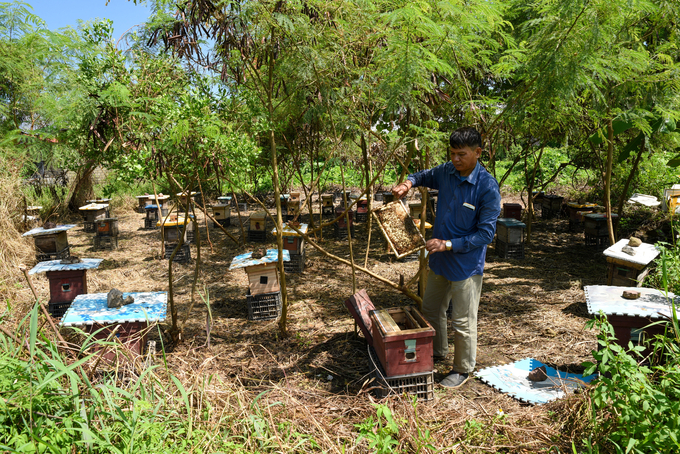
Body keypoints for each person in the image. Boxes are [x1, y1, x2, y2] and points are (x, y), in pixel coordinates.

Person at [391, 127, 501, 388]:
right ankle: (437, 351)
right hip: (440, 262)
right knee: (430, 310)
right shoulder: (447, 172)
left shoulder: (487, 187)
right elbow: (422, 175)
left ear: (478, 153)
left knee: (462, 321)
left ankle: (462, 370)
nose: (455, 159)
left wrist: (449, 244)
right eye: (452, 154)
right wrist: (408, 183)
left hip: (465, 266)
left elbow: (486, 234)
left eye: (461, 154)